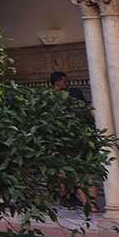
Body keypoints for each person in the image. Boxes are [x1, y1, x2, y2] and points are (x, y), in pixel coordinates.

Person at [51, 72, 95, 209]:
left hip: (70, 139)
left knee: (70, 167)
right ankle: (64, 196)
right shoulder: (51, 98)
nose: (67, 84)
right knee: (62, 168)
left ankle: (71, 194)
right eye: (65, 81)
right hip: (59, 137)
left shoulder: (67, 98)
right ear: (57, 83)